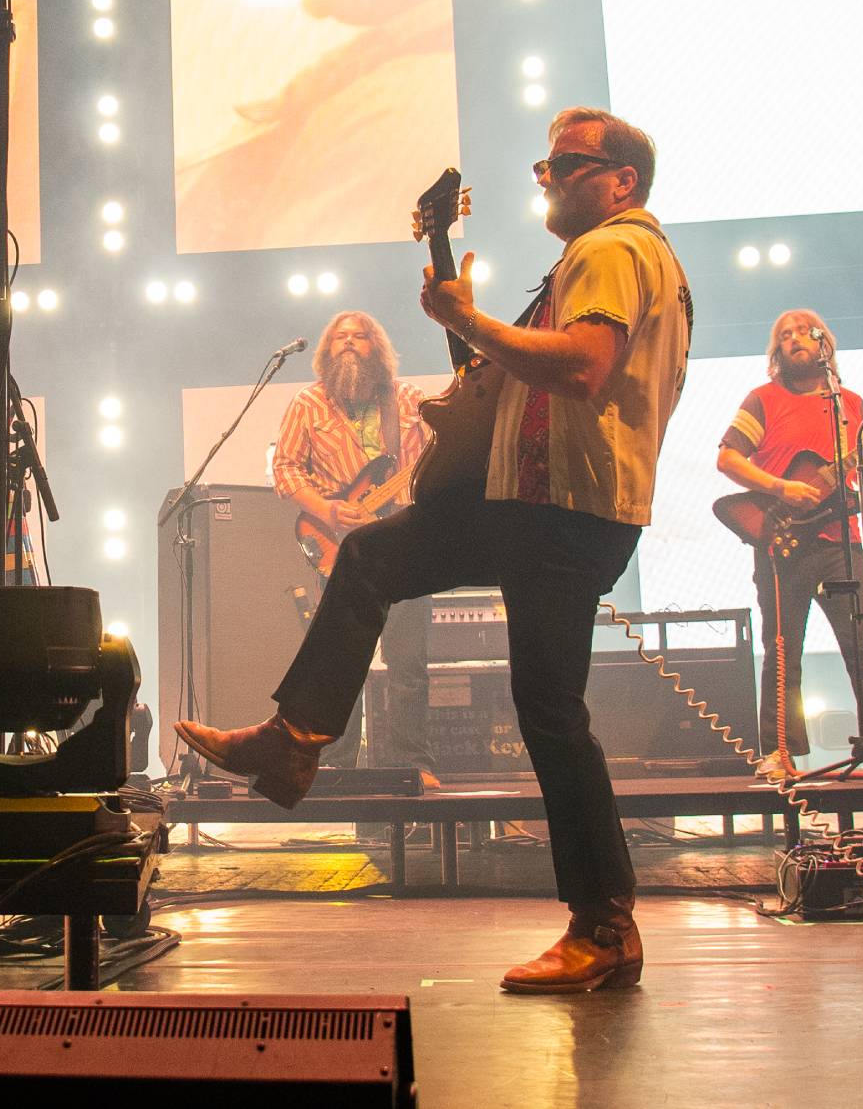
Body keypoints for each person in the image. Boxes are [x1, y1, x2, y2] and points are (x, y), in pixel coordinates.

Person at [178, 107, 693, 994]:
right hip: (538, 502)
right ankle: (294, 739)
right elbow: (516, 383)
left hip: (561, 506)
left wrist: (472, 320)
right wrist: (468, 327)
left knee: (550, 712)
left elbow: (582, 367)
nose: (548, 177)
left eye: (568, 163)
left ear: (623, 182)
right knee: (373, 559)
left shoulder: (613, 248)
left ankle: (605, 924)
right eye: (544, 165)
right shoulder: (616, 255)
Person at [715, 310, 863, 779]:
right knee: (783, 650)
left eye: (804, 332)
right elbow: (728, 458)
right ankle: (779, 753)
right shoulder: (763, 399)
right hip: (783, 541)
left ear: (824, 344)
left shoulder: (850, 403)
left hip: (842, 542)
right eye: (785, 335)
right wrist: (781, 488)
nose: (795, 339)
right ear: (776, 351)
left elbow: (861, 473)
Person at [271, 311, 438, 787]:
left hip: (406, 543)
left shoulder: (409, 400)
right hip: (341, 546)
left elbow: (438, 459)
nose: (348, 343)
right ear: (327, 350)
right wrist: (326, 510)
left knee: (408, 664)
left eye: (359, 337)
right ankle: (333, 765)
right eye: (340, 337)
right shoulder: (308, 403)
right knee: (341, 661)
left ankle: (412, 764)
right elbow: (285, 469)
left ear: (376, 348)